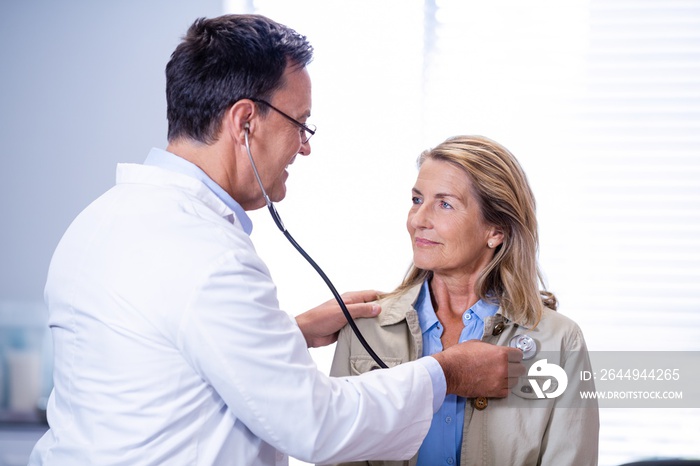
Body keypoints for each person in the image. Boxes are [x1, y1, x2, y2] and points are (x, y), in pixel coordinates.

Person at [29, 15, 525, 466]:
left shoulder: (98, 222)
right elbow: (315, 424)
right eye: (300, 124)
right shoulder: (206, 254)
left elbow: (167, 363)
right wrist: (446, 373)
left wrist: (290, 334)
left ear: (496, 230)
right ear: (246, 122)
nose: (304, 147)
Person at [325, 135, 600, 466]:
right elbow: (334, 451)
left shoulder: (559, 341)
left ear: (495, 231)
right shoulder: (365, 327)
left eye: (444, 204)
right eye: (416, 200)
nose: (418, 220)